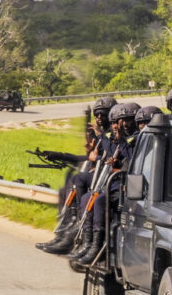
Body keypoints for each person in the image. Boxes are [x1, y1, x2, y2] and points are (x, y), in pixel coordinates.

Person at [35, 97, 117, 254]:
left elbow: (105, 158)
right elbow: (88, 157)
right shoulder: (100, 135)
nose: (99, 118)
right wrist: (61, 155)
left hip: (106, 179)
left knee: (79, 181)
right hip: (97, 176)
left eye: (103, 114)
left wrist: (97, 152)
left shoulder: (111, 136)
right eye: (97, 115)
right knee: (65, 188)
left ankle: (78, 222)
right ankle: (66, 228)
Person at [69, 102, 140, 272]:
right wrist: (102, 138)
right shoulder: (121, 137)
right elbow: (113, 150)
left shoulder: (138, 137)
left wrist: (112, 139)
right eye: (117, 122)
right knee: (87, 197)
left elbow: (131, 156)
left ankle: (97, 246)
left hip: (126, 187)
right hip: (114, 183)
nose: (120, 125)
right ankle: (88, 242)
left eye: (125, 121)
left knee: (100, 200)